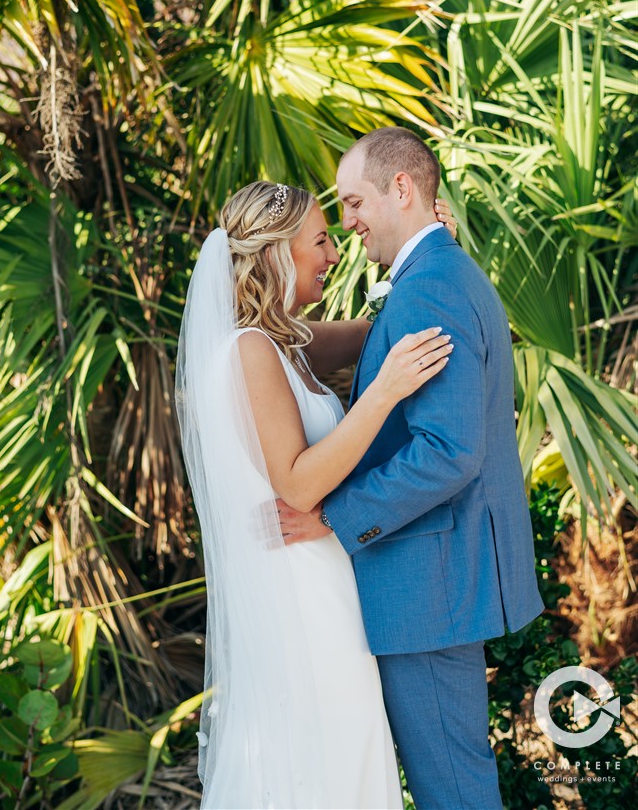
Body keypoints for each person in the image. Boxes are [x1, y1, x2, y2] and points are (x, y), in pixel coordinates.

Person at [278, 127, 545, 810]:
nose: (347, 224)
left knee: (452, 787)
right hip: (438, 578)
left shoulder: (430, 288)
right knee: (453, 776)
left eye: (353, 202)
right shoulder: (435, 276)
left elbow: (447, 452)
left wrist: (334, 519)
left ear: (403, 189)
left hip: (429, 585)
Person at [175, 179, 457, 809]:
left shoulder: (288, 343)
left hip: (327, 580)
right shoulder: (250, 351)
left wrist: (431, 247)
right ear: (277, 253)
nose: (334, 254)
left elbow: (375, 330)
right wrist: (384, 391)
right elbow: (297, 482)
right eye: (322, 241)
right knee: (326, 756)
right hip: (300, 598)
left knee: (345, 751)